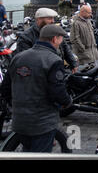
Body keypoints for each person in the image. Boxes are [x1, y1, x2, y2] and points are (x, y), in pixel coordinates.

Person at [0, 24, 73, 152]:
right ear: (55, 39)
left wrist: (15, 106)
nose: (61, 42)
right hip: (42, 122)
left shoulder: (18, 57)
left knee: (27, 152)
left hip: (20, 121)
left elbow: (5, 88)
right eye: (61, 39)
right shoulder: (53, 60)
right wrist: (68, 102)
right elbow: (57, 92)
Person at [14, 8, 78, 73]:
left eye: (53, 18)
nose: (53, 21)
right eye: (49, 18)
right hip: (39, 74)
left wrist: (73, 63)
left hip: (57, 69)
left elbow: (65, 47)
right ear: (39, 19)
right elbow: (24, 60)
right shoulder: (26, 37)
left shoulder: (55, 32)